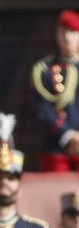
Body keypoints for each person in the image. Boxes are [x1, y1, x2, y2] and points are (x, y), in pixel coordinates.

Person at [32, 10, 79, 172]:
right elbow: (43, 110)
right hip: (56, 147)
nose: (67, 37)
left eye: (72, 32)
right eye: (63, 32)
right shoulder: (45, 70)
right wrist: (67, 136)